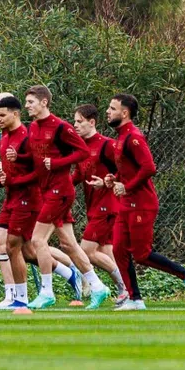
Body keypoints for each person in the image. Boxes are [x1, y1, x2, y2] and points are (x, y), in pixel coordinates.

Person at [104, 93, 185, 311]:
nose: (108, 112)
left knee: (142, 254)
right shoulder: (120, 137)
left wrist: (126, 186)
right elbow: (129, 170)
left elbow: (149, 168)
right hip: (127, 203)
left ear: (125, 113)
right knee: (118, 249)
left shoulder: (133, 137)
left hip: (143, 204)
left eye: (112, 108)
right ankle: (135, 299)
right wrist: (113, 179)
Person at [23, 85, 109, 310]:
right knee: (69, 244)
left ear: (44, 102)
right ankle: (98, 287)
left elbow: (81, 151)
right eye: (26, 102)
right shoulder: (33, 127)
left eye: (31, 102)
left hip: (60, 191)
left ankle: (47, 292)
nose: (27, 106)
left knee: (38, 240)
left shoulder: (60, 126)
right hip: (47, 191)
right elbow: (35, 158)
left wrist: (58, 163)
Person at [0, 93, 36, 310]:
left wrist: (10, 179)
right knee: (4, 246)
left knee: (15, 246)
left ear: (16, 114)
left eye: (2, 114)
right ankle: (12, 295)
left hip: (28, 198)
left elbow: (37, 172)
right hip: (11, 197)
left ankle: (22, 298)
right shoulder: (4, 137)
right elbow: (10, 172)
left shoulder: (27, 137)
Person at [73, 105, 127, 306]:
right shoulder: (80, 147)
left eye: (79, 121)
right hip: (93, 207)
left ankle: (126, 288)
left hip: (108, 205)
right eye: (75, 121)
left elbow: (124, 170)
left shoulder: (106, 145)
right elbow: (78, 175)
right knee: (105, 252)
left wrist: (106, 182)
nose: (76, 125)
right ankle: (126, 291)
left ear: (92, 122)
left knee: (86, 250)